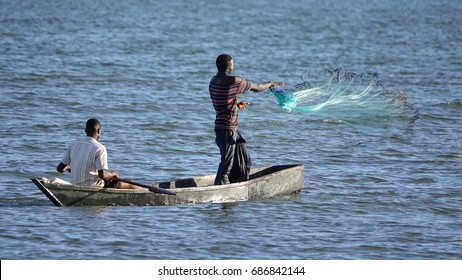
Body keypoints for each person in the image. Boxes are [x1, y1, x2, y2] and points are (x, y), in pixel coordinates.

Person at [209, 54, 284, 185]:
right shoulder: (234, 81)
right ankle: (220, 193)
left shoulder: (213, 81)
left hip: (228, 130)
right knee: (226, 166)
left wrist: (237, 102)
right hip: (227, 131)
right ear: (228, 67)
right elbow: (258, 88)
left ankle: (237, 188)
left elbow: (223, 97)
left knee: (244, 159)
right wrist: (271, 83)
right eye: (232, 64)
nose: (233, 66)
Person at [56, 118, 142, 189]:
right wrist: (113, 173)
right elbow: (103, 175)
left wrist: (70, 168)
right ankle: (145, 191)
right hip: (93, 187)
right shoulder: (100, 148)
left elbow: (60, 168)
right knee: (130, 183)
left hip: (75, 186)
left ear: (85, 130)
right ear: (99, 131)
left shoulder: (73, 145)